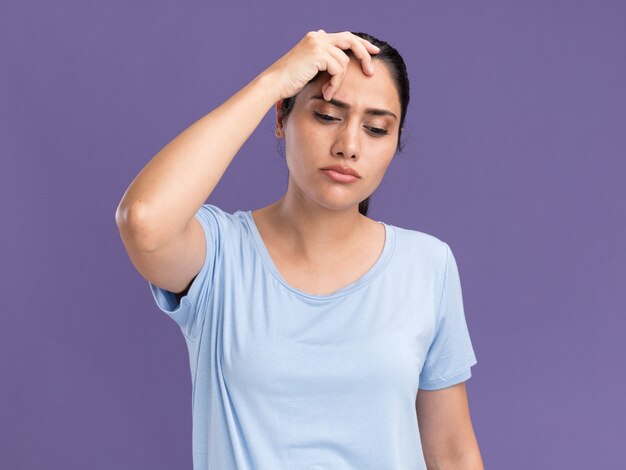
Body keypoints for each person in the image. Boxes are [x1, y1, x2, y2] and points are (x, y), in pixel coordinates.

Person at [116, 29, 483, 469]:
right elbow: (143, 219)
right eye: (327, 115)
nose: (349, 146)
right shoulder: (220, 256)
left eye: (376, 128)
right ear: (281, 118)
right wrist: (274, 79)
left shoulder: (428, 265)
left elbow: (452, 453)